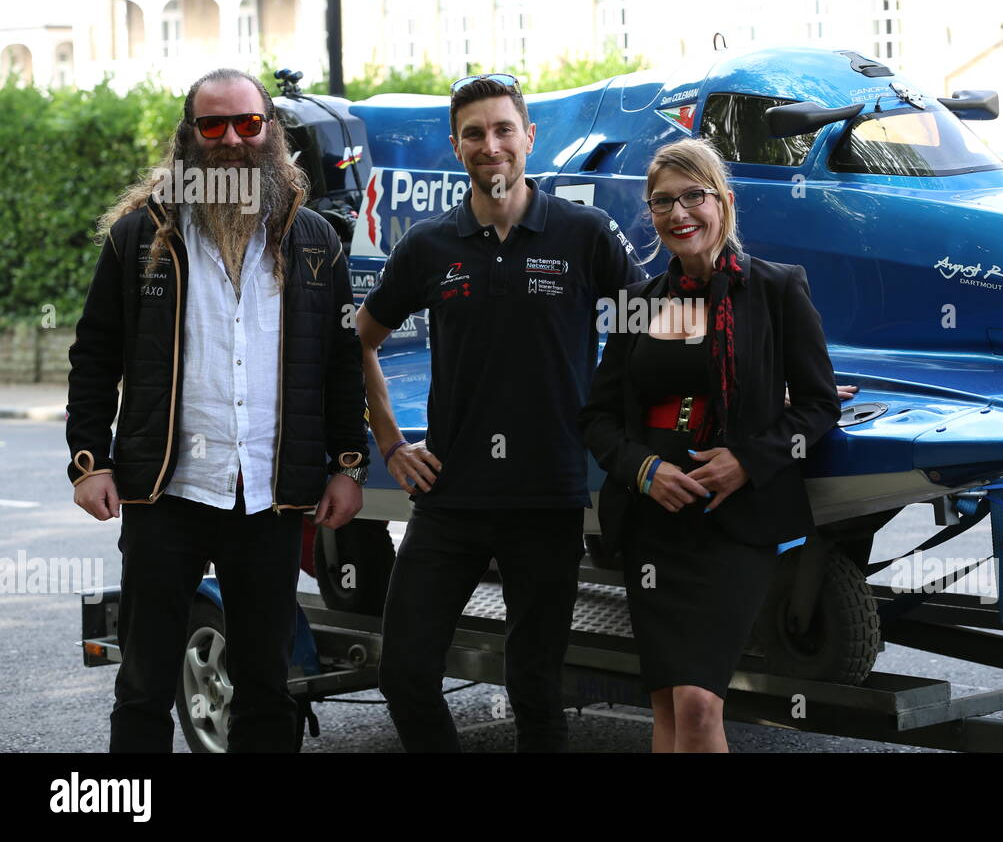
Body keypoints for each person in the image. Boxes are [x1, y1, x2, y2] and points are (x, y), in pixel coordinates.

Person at [66, 68, 369, 752]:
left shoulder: (315, 242)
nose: (232, 139)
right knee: (143, 683)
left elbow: (340, 362)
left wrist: (349, 465)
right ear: (190, 136)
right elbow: (94, 356)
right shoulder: (140, 237)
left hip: (269, 496)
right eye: (213, 126)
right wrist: (88, 462)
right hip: (166, 491)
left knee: (266, 684)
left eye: (247, 123)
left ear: (270, 131)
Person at [358, 73, 644, 752]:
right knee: (403, 672)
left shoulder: (583, 232)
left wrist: (765, 379)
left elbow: (654, 323)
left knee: (538, 691)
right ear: (457, 147)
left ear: (529, 137)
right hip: (449, 495)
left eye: (503, 129)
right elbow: (360, 341)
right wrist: (392, 442)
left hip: (546, 498)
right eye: (475, 133)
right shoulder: (430, 246)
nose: (492, 145)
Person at [579, 137, 842, 752]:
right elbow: (597, 417)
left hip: (732, 526)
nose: (678, 214)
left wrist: (747, 461)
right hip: (655, 524)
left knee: (698, 706)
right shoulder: (641, 305)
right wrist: (643, 470)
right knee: (669, 708)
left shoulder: (776, 291)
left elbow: (818, 403)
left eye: (692, 197)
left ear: (722, 201)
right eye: (662, 202)